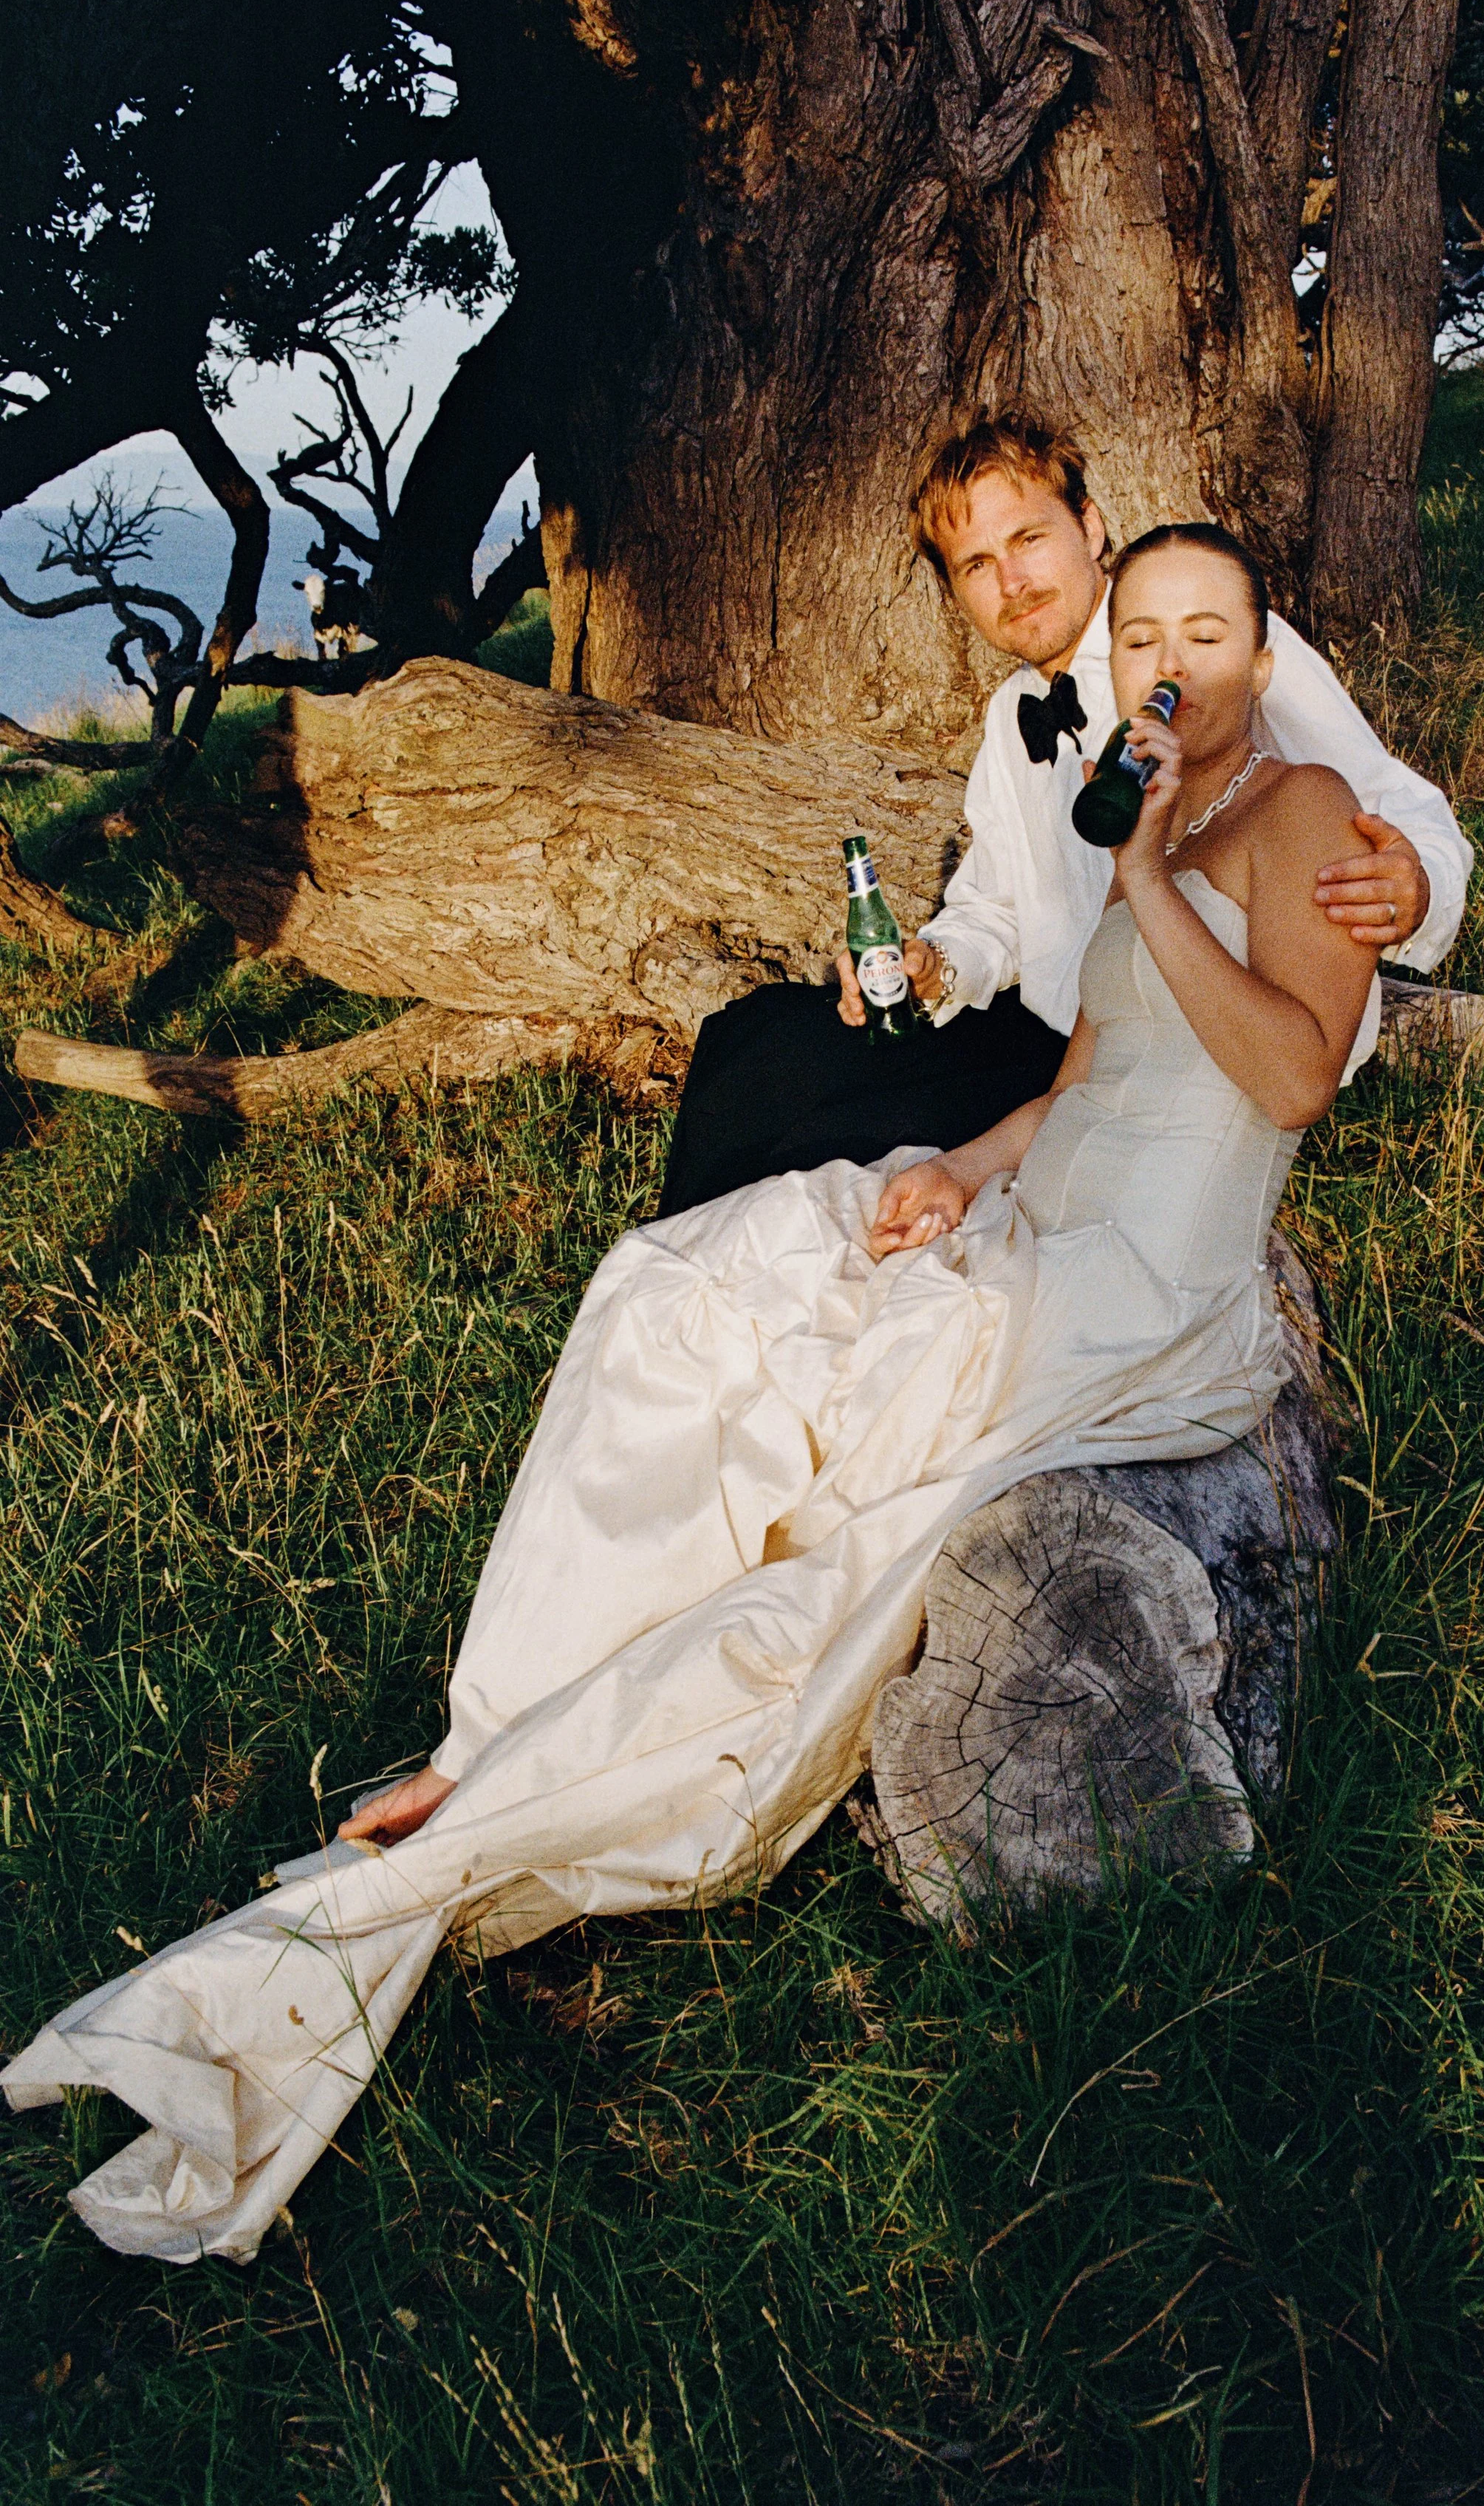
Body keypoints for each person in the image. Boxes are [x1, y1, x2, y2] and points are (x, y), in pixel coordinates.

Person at [4, 523, 1380, 2265]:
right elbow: (1093, 1071)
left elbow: (1295, 1072)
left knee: (838, 1537)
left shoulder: (1316, 822)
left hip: (1147, 1296)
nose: (1172, 658)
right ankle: (499, 1710)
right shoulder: (1159, 812)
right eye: (1146, 635)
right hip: (1044, 1206)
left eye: (1210, 629)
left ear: (1261, 651)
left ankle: (494, 1809)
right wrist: (957, 1164)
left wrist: (1153, 890)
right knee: (695, 1284)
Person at [658, 412, 1471, 1213]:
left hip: (1181, 1047)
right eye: (976, 563)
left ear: (1090, 526)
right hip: (1052, 1032)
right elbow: (994, 907)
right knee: (754, 1031)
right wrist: (934, 967)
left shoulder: (1195, 640)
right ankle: (675, 1265)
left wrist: (1419, 887)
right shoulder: (1012, 714)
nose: (1011, 582)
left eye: (1027, 539)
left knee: (826, 1135)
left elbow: (1399, 804)